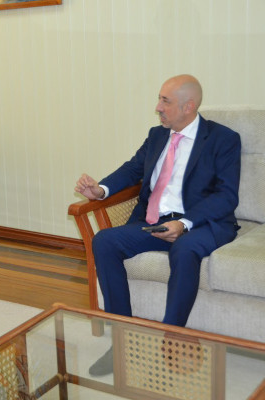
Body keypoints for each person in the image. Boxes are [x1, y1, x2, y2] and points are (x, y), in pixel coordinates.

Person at [75, 74, 241, 375]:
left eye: (165, 101)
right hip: (154, 222)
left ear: (188, 106)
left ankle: (172, 340)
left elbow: (226, 196)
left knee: (185, 249)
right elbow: (132, 169)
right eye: (159, 99)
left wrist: (185, 223)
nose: (158, 107)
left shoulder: (223, 139)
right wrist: (100, 190)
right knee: (104, 240)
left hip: (200, 223)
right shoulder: (157, 136)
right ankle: (122, 343)